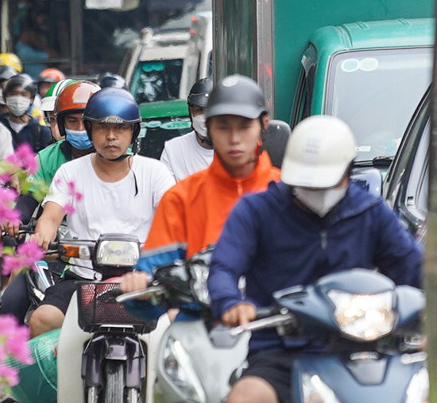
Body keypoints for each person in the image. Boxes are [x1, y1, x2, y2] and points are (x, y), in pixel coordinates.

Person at [210, 114, 422, 403]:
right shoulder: (257, 211)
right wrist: (231, 302)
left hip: (365, 354)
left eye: (326, 180)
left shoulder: (371, 212)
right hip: (283, 355)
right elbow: (225, 268)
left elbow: (413, 270)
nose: (315, 192)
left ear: (349, 171)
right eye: (305, 182)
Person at [26, 87, 174, 339]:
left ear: (133, 132)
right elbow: (51, 215)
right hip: (82, 279)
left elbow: (174, 217)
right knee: (42, 319)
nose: (111, 137)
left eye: (120, 129)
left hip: (142, 279)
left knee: (176, 320)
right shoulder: (70, 172)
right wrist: (42, 234)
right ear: (90, 130)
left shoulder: (155, 172)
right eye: (103, 128)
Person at [119, 74, 279, 293]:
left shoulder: (287, 193)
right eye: (223, 127)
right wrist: (139, 287)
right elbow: (153, 272)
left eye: (244, 126)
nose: (234, 138)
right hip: (197, 318)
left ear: (264, 124)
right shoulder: (179, 199)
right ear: (209, 127)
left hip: (273, 321)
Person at [35, 80, 99, 186]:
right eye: (52, 119)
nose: (80, 128)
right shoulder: (46, 159)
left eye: (86, 121)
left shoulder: (120, 155)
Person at [158, 77, 215, 180]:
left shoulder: (236, 148)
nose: (206, 118)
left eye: (211, 110)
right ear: (191, 112)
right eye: (200, 110)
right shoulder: (173, 150)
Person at [0, 73, 53, 153]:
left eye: (23, 95)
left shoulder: (41, 132)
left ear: (31, 99)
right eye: (13, 94)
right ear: (5, 98)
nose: (18, 99)